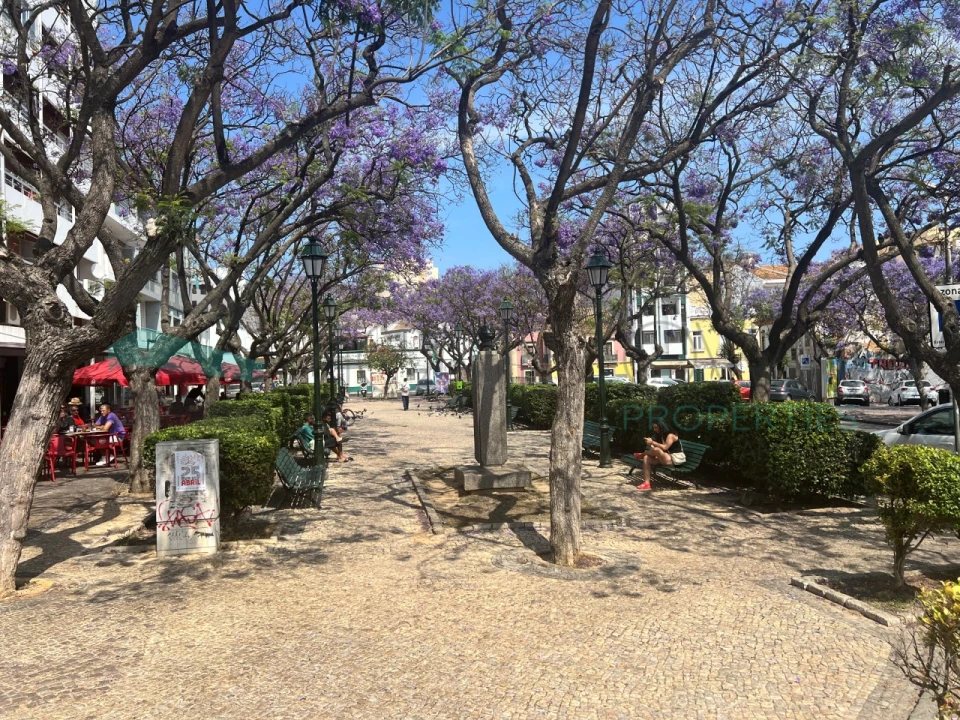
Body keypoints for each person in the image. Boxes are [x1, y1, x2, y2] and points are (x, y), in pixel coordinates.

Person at [638, 419, 685, 491]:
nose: (654, 429)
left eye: (656, 427)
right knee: (646, 458)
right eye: (653, 427)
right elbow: (655, 444)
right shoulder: (660, 435)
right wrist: (650, 442)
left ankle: (643, 453)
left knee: (656, 450)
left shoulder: (671, 435)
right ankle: (647, 483)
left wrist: (652, 442)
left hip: (674, 460)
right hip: (665, 458)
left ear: (662, 426)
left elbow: (665, 447)